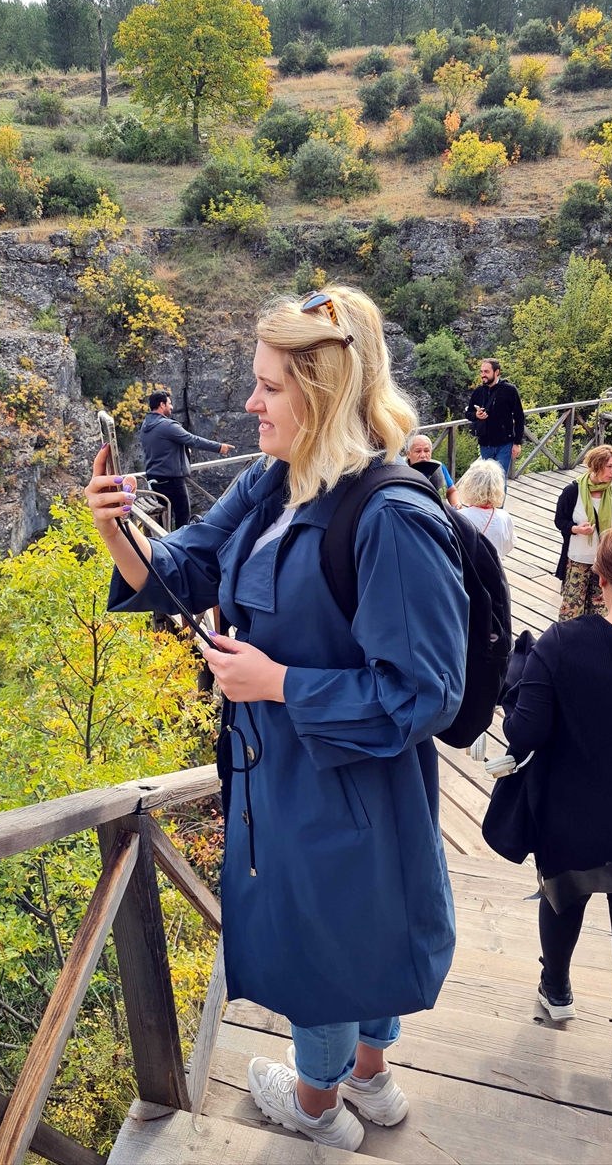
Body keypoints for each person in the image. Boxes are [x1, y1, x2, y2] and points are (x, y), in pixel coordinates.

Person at [86, 286, 469, 1152]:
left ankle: (316, 1107)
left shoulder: (392, 519)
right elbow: (189, 567)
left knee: (323, 941)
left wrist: (280, 683)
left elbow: (428, 693)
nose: (250, 404)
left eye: (269, 387)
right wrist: (119, 534)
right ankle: (371, 1082)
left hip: (344, 784)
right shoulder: (276, 483)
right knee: (357, 925)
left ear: (325, 393)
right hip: (293, 777)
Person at [502, 525, 612, 1075]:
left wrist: (517, 678)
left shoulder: (563, 643)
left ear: (602, 579)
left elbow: (524, 734)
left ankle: (557, 991)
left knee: (563, 895)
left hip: (571, 811)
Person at [554, 445, 612, 621]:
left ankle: (595, 646)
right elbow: (560, 520)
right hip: (578, 558)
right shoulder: (573, 490)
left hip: (606, 560)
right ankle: (568, 646)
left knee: (601, 612)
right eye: (609, 466)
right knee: (571, 611)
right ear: (596, 466)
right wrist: (576, 529)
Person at [139, 390, 234, 529]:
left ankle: (161, 545)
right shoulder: (167, 425)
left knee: (163, 519)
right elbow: (193, 440)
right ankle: (180, 547)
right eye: (169, 403)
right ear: (161, 404)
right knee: (182, 516)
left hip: (154, 478)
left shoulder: (146, 424)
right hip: (171, 480)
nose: (171, 407)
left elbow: (161, 448)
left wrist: (182, 449)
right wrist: (220, 447)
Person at [465, 358, 525, 478]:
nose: (483, 375)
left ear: (496, 372)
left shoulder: (509, 390)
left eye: (486, 372)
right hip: (485, 444)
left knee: (499, 480)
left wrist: (517, 442)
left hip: (505, 443)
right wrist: (476, 415)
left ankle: (500, 498)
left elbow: (519, 417)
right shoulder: (478, 392)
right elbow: (468, 413)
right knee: (487, 480)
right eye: (481, 372)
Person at [455, 458, 517, 559]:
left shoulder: (460, 517)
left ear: (469, 485)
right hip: (495, 571)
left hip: (467, 572)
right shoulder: (504, 517)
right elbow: (509, 546)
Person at [405, 434, 461, 508]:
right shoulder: (402, 471)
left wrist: (456, 504)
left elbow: (451, 491)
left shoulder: (439, 467)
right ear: (408, 454)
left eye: (426, 451)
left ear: (431, 452)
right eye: (418, 451)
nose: (423, 455)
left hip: (441, 512)